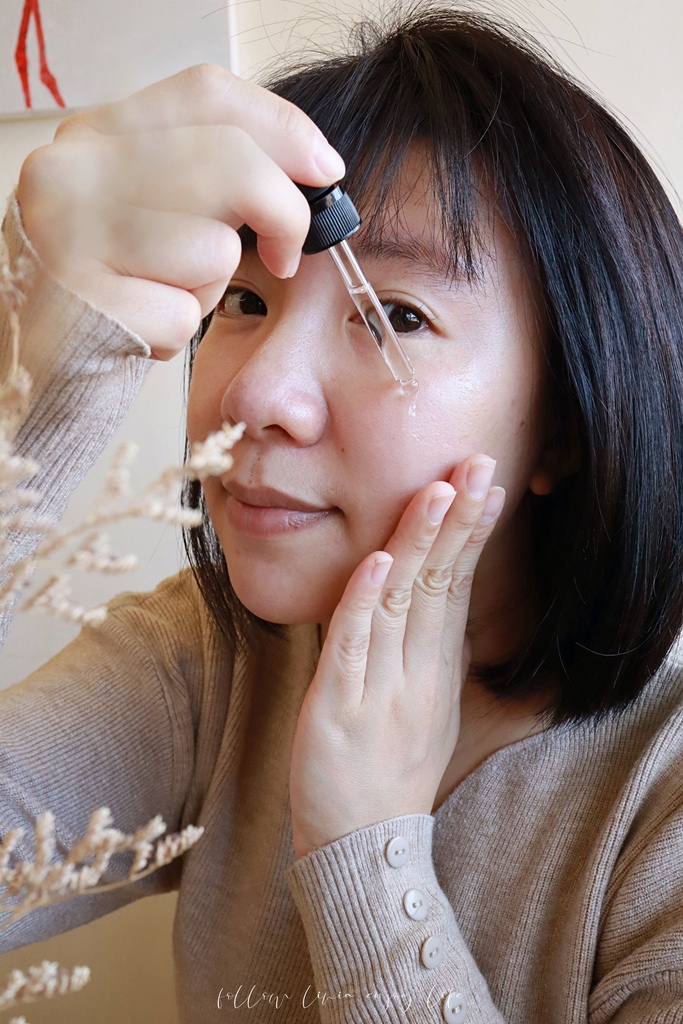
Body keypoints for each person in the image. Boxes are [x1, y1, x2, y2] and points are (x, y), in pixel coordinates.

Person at [1, 4, 683, 1022]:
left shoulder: (660, 795)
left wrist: (365, 843)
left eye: (395, 316)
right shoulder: (215, 664)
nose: (254, 394)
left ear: (566, 427)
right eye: (244, 300)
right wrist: (25, 392)